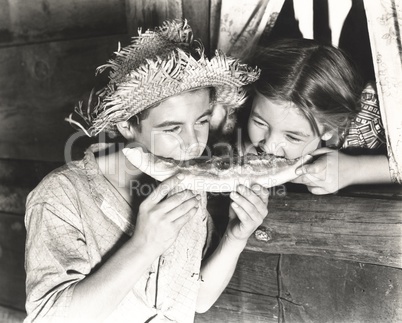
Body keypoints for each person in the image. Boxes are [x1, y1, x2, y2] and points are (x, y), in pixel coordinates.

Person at [24, 20, 267, 323]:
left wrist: (235, 237)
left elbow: (198, 300)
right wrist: (144, 244)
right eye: (172, 128)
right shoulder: (60, 195)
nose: (194, 144)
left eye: (202, 121)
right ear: (126, 125)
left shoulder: (186, 186)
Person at [240, 38, 396, 195]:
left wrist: (355, 170)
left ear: (330, 128)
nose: (268, 146)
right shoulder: (240, 107)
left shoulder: (379, 117)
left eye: (292, 137)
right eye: (259, 123)